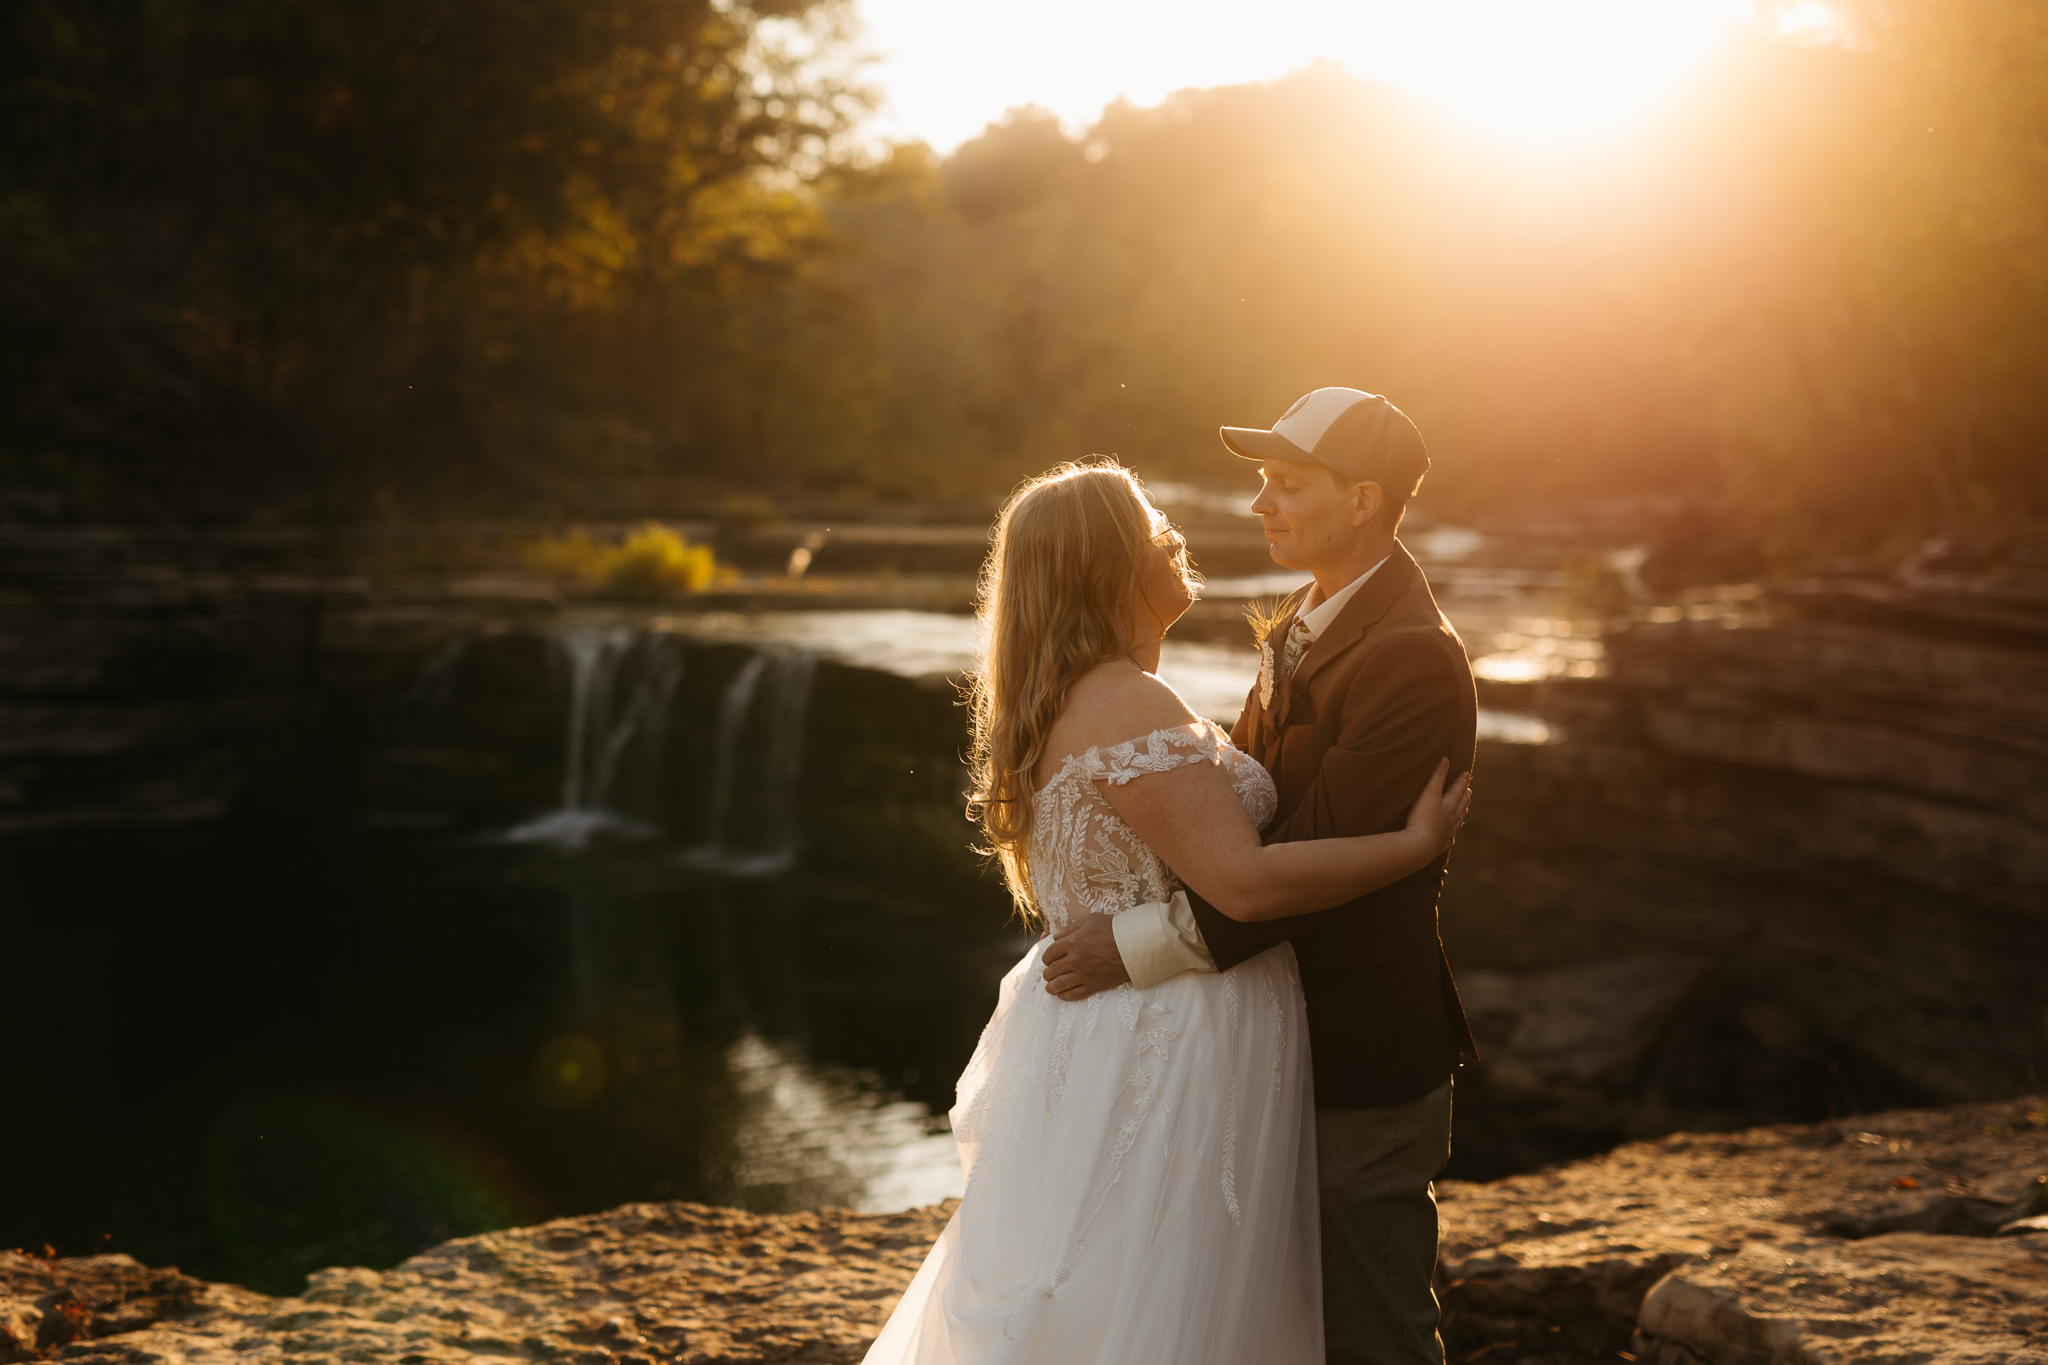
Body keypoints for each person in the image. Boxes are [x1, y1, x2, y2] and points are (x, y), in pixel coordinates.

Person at [862, 457, 1470, 1365]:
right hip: (1172, 1041)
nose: (1175, 535)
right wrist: (1414, 848)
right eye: (1152, 530)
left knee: (1109, 1286)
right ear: (1108, 566)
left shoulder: (1064, 699)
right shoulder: (1129, 703)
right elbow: (1248, 883)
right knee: (1174, 1301)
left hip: (1112, 1038)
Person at [1039, 388, 1480, 1365]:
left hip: (1356, 1055)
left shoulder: (1411, 659)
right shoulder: (1298, 625)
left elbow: (1293, 867)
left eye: (1286, 484)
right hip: (1263, 1047)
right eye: (1259, 483)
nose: (1257, 505)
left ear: (1362, 500)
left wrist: (1133, 945)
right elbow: (1240, 812)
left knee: (1368, 1334)